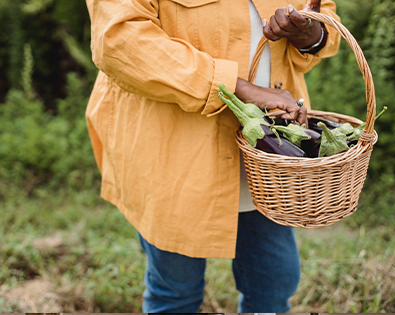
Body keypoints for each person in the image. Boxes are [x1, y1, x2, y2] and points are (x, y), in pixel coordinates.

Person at [85, 0, 340, 312]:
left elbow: (321, 12)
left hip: (271, 153)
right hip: (175, 148)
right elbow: (120, 41)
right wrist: (235, 87)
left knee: (274, 283)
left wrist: (310, 34)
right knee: (176, 290)